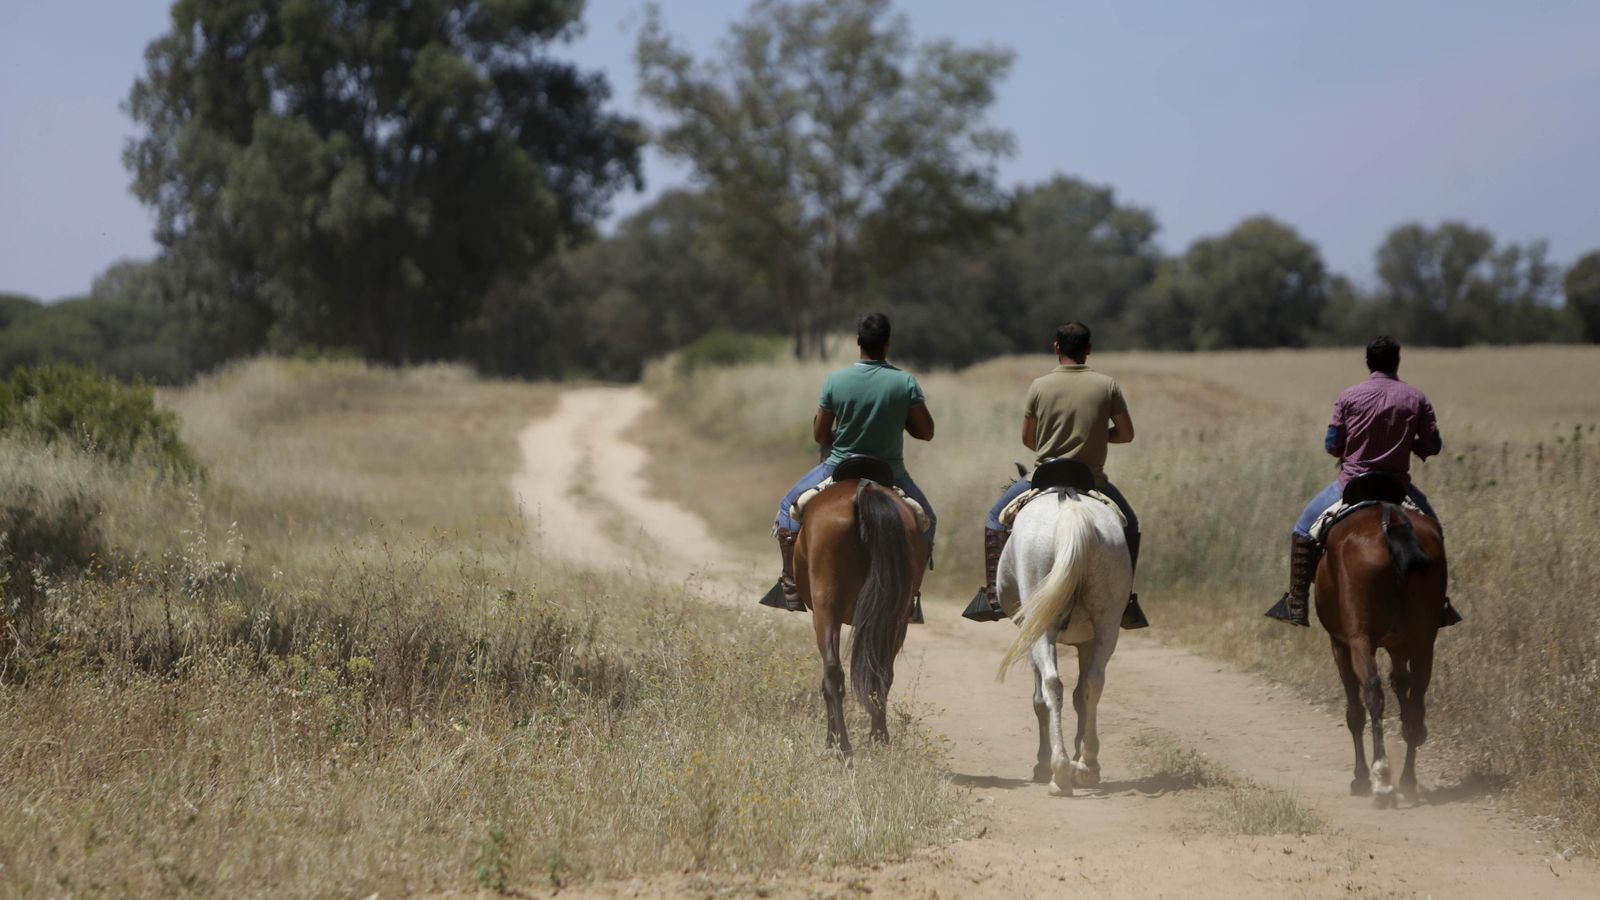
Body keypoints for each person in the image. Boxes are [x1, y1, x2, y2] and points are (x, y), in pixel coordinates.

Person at [1266, 335, 1461, 627]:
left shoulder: (1348, 396)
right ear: (1397, 362)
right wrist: (1411, 445)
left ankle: (1296, 604)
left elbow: (1332, 444)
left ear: (1368, 362)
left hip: (1351, 485)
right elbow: (1433, 445)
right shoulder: (1417, 398)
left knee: (1303, 529)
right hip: (1398, 488)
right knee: (1434, 531)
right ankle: (1438, 606)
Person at [967, 322, 1148, 629]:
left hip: (1043, 476)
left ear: (1056, 348)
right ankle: (1125, 600)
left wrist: (1055, 439)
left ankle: (993, 596)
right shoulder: (1107, 385)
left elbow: (1028, 439)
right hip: (1092, 480)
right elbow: (1127, 434)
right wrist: (1095, 436)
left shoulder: (1039, 385)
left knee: (995, 517)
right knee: (1129, 524)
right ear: (1089, 349)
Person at [762, 312, 937, 618]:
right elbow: (926, 432)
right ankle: (911, 596)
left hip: (840, 466)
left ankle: (789, 582)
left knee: (787, 506)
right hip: (890, 472)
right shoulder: (905, 381)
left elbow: (820, 434)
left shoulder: (836, 380)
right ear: (887, 343)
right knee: (928, 521)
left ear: (858, 342)